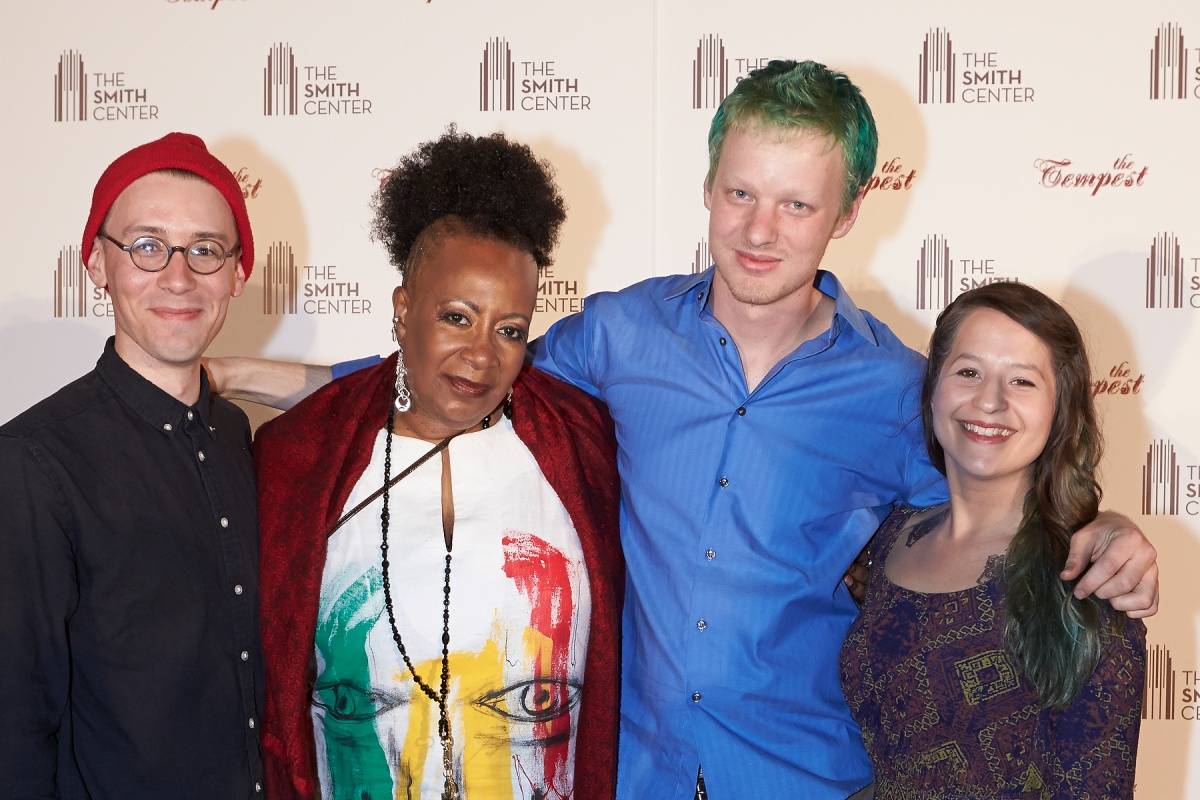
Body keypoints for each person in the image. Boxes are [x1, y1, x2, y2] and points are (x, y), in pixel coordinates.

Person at [210, 61, 1159, 798]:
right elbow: (460, 371)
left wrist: (1104, 531)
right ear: (709, 186)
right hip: (634, 773)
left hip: (805, 776)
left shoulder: (893, 388)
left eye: (797, 203)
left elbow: (989, 508)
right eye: (742, 192)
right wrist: (249, 376)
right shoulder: (622, 334)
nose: (760, 229)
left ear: (849, 213)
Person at [252, 129, 623, 800]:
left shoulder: (581, 448)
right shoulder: (300, 464)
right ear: (403, 311)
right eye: (457, 317)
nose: (483, 356)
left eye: (509, 328)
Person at [0, 133, 264, 797]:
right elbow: (14, 725)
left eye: (205, 250)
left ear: (238, 272)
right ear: (97, 263)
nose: (179, 277)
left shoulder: (236, 433)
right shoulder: (34, 461)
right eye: (147, 246)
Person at [840, 282, 1146, 798]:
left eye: (1022, 382)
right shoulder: (890, 537)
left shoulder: (1087, 578)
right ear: (934, 386)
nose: (989, 401)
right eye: (968, 372)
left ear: (1059, 408)